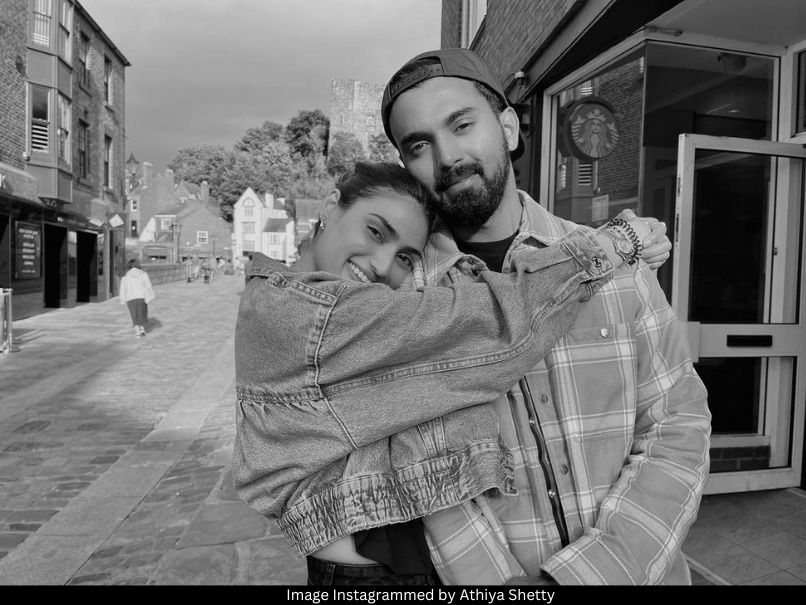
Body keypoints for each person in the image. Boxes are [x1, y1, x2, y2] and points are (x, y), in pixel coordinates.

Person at [233, 161, 659, 586]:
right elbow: (490, 328)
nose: (383, 265)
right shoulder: (307, 315)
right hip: (367, 576)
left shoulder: (293, 300)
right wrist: (616, 243)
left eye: (404, 257)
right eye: (375, 231)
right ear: (330, 206)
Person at [377, 48, 710, 585]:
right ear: (408, 167)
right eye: (419, 145)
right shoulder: (403, 305)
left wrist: (587, 576)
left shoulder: (613, 263)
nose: (448, 157)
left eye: (462, 124)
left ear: (507, 126)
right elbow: (423, 475)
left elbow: (678, 423)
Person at [119, 258, 155, 338]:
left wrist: (122, 299)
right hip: (142, 297)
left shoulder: (126, 276)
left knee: (134, 315)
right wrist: (149, 295)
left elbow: (123, 289)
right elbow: (148, 285)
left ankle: (137, 332)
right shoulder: (143, 274)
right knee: (142, 314)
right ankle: (142, 329)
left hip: (130, 298)